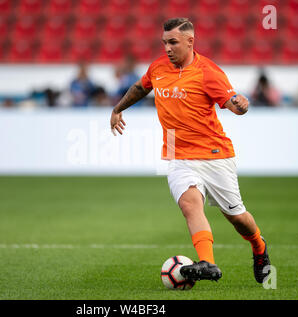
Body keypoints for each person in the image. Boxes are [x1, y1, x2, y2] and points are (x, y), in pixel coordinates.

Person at [110, 18, 271, 284]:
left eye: (173, 42)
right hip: (177, 152)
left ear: (190, 42)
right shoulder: (158, 67)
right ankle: (208, 262)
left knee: (237, 217)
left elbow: (232, 103)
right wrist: (118, 109)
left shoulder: (208, 71)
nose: (168, 48)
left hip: (214, 153)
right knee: (189, 204)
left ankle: (259, 246)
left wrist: (241, 104)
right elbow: (141, 87)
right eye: (164, 43)